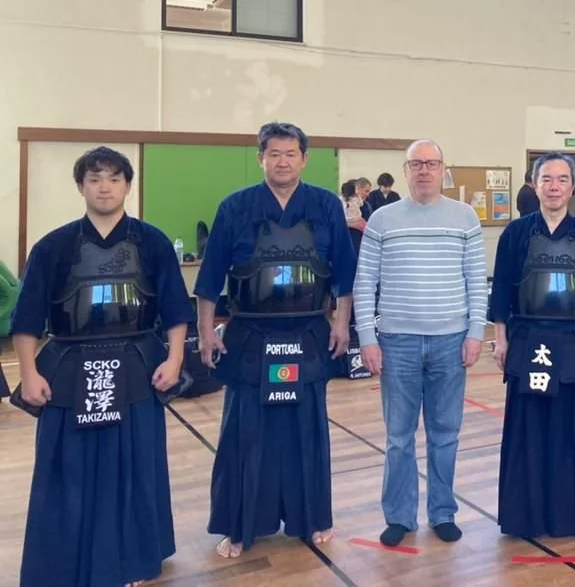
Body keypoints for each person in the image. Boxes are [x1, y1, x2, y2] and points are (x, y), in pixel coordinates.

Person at [10, 146, 193, 587]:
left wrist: (174, 358)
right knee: (66, 466)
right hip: (69, 367)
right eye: (95, 179)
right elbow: (28, 316)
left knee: (133, 464)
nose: (104, 186)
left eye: (114, 178)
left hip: (136, 366)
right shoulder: (52, 246)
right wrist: (30, 372)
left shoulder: (152, 242)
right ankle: (63, 558)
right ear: (81, 187)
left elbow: (173, 309)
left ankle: (132, 559)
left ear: (128, 185)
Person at [194, 122, 355, 558]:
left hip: (308, 331)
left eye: (290, 154)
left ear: (304, 159)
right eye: (274, 154)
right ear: (261, 157)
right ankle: (241, 525)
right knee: (247, 432)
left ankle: (312, 518)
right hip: (250, 333)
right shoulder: (235, 207)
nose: (282, 162)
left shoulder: (324, 206)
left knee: (307, 430)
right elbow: (209, 281)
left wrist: (341, 325)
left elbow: (343, 275)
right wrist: (207, 332)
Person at [354, 139, 488, 547]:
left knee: (446, 434)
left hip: (451, 342)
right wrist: (367, 338)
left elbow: (476, 283)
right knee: (398, 436)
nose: (424, 170)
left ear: (443, 169)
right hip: (397, 344)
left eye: (431, 163)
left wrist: (476, 333)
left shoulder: (465, 218)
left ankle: (443, 511)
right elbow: (365, 283)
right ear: (406, 169)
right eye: (417, 164)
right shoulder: (381, 219)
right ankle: (399, 516)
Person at [490, 152, 575, 538]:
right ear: (534, 184)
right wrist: (500, 338)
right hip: (528, 338)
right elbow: (501, 293)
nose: (554, 187)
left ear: (572, 187)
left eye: (562, 179)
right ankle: (526, 516)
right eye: (547, 179)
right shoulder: (516, 234)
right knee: (529, 430)